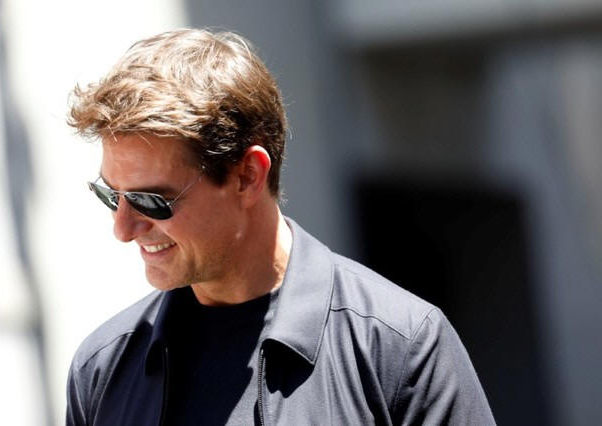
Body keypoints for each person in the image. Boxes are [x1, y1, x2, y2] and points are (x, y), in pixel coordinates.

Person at [65, 28, 495, 426]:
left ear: (247, 176)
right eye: (111, 195)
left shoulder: (399, 347)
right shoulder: (102, 369)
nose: (123, 229)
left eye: (150, 201)